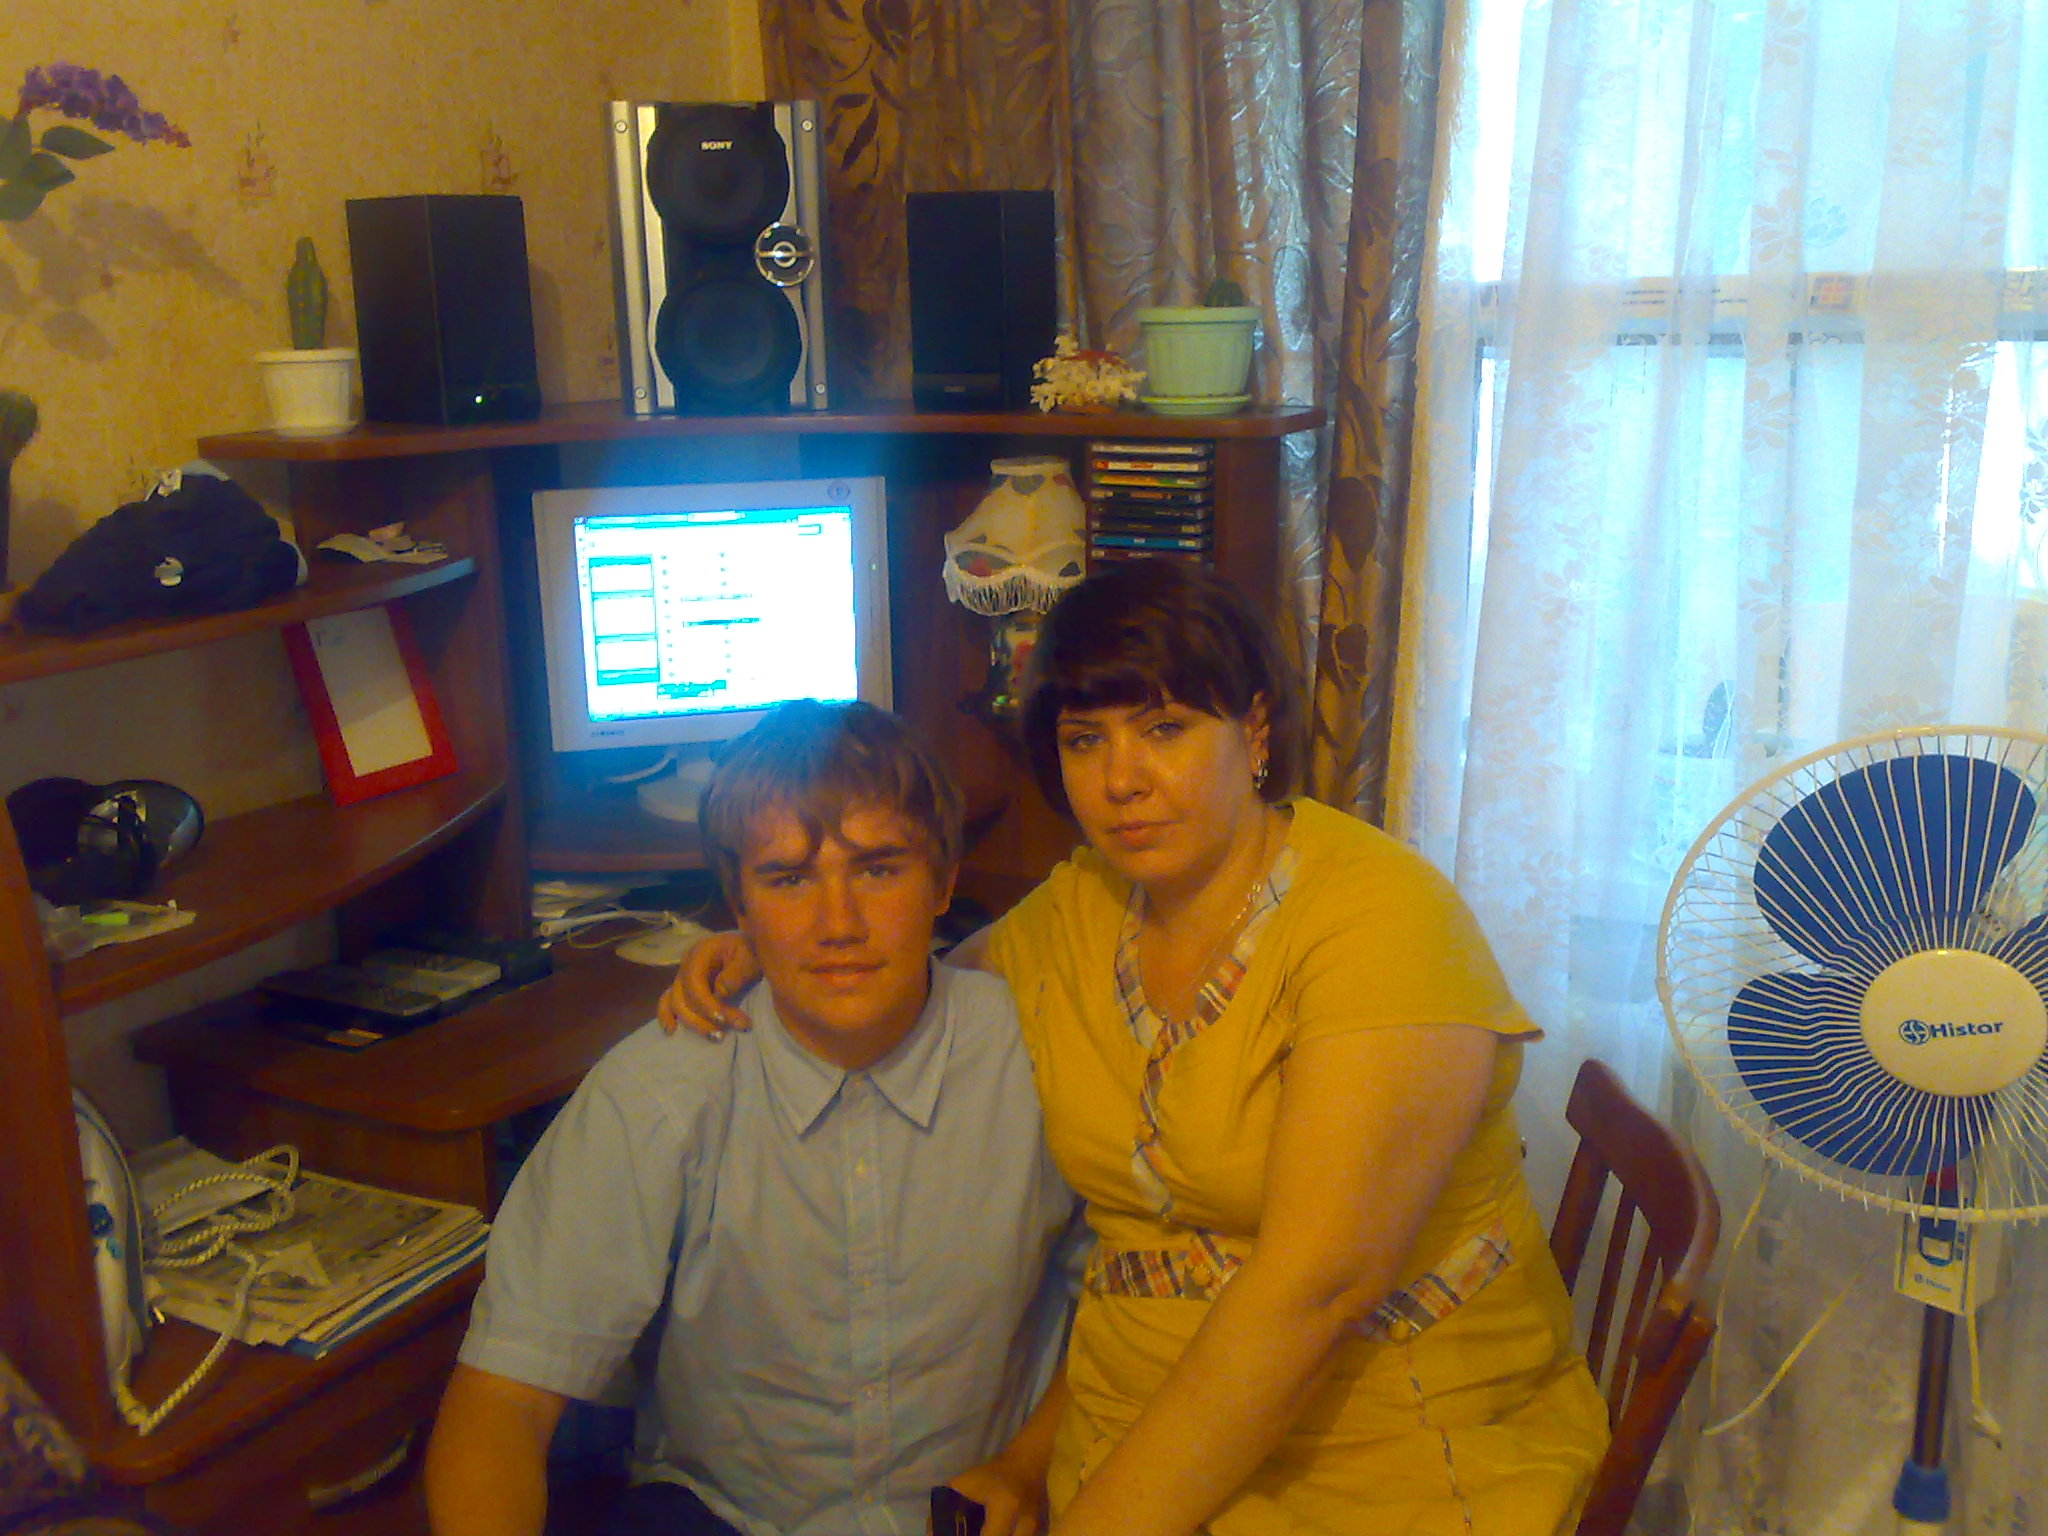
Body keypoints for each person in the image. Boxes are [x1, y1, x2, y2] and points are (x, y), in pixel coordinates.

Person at [663, 562, 1610, 1536]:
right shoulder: (1081, 911)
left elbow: (1316, 1294)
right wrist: (784, 943)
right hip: (1129, 1424)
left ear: (1253, 731)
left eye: (1164, 730)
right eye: (1085, 741)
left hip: (1382, 1442)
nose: (1121, 781)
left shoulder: (1383, 925)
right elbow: (923, 988)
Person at [426, 700, 1082, 1536]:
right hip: (726, 1517)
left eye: (879, 870)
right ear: (738, 905)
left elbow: (1123, 1304)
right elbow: (505, 1400)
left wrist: (1028, 1465)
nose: (839, 925)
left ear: (943, 880)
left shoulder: (1041, 1057)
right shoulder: (655, 1095)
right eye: (789, 880)